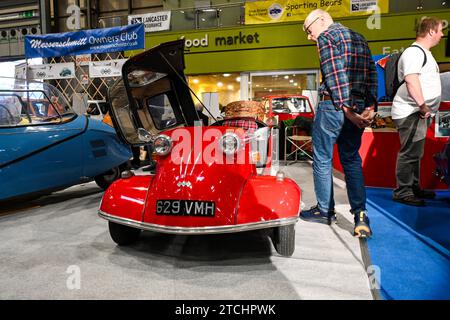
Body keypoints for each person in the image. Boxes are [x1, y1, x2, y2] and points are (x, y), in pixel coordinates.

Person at [299, 9, 377, 238]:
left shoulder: (327, 37)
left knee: (322, 158)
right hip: (359, 106)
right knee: (351, 159)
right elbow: (371, 74)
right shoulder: (359, 37)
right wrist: (370, 106)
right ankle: (360, 215)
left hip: (334, 107)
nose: (309, 36)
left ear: (322, 20)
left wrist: (346, 109)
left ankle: (325, 210)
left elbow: (335, 75)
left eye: (308, 29)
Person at [391, 17, 444, 206]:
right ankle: (403, 191)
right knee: (409, 153)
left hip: (417, 111)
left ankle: (413, 187)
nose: (442, 34)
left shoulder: (423, 53)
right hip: (412, 111)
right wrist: (423, 106)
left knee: (415, 152)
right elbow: (411, 80)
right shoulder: (414, 53)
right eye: (439, 30)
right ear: (431, 31)